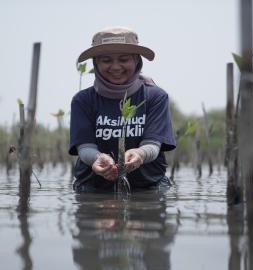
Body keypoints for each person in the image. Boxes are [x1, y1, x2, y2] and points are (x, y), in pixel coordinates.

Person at [69, 27, 176, 192]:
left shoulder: (155, 97)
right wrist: (98, 158)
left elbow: (153, 145)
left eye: (124, 59)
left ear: (136, 60)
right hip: (93, 188)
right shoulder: (82, 100)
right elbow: (85, 148)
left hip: (148, 187)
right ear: (96, 63)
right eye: (106, 60)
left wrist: (140, 155)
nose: (116, 67)